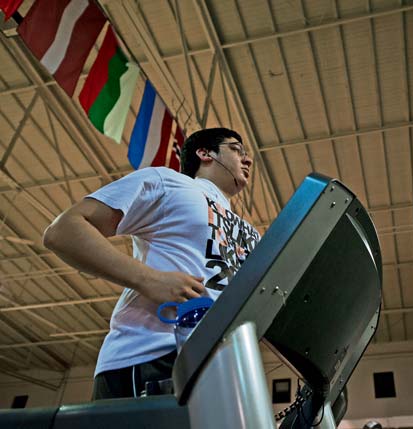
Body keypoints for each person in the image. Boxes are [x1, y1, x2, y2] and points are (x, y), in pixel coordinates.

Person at [43, 127, 259, 400]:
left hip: (220, 367)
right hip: (151, 355)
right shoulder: (169, 181)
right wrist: (149, 278)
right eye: (236, 150)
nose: (247, 159)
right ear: (204, 153)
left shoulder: (252, 234)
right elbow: (63, 231)